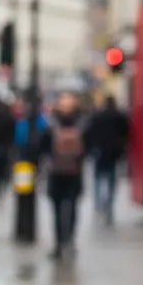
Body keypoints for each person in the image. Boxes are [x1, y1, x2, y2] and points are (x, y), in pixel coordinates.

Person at [38, 92, 86, 259]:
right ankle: (69, 242)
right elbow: (87, 148)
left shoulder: (51, 124)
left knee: (58, 211)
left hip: (56, 172)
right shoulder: (81, 123)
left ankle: (59, 244)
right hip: (74, 172)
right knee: (72, 209)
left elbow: (42, 147)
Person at [85, 94, 130, 224]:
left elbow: (90, 133)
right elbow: (126, 132)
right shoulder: (119, 116)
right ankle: (109, 205)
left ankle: (98, 204)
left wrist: (91, 148)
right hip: (113, 153)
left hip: (99, 151)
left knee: (98, 178)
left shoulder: (97, 116)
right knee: (111, 179)